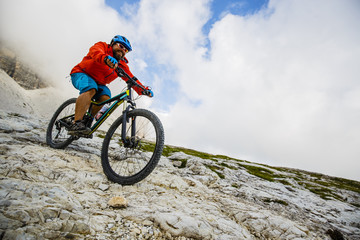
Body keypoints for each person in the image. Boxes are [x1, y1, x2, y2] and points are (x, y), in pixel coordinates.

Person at [69, 35, 153, 135]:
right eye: (121, 46)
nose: (123, 50)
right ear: (112, 43)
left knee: (106, 97)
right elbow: (95, 52)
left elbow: (131, 78)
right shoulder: (102, 46)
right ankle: (77, 123)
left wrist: (143, 89)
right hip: (81, 73)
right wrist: (105, 58)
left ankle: (87, 120)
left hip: (99, 84)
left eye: (125, 50)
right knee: (91, 88)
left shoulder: (121, 64)